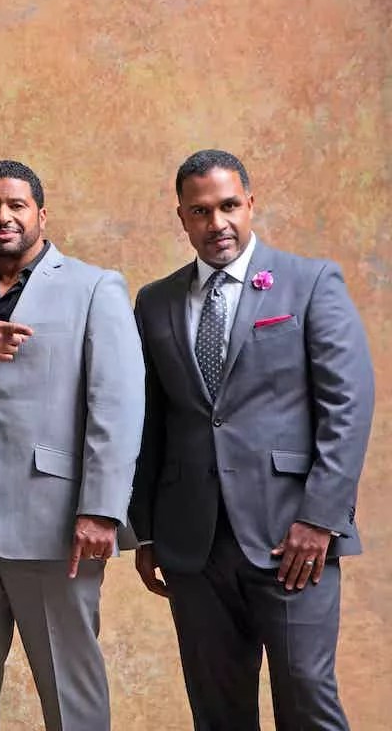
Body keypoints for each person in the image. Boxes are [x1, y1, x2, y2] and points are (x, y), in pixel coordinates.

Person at [130, 149, 375, 730]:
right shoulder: (156, 301)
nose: (217, 223)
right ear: (182, 217)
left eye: (228, 206)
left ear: (250, 203)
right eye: (200, 211)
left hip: (293, 537)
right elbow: (149, 421)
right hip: (193, 542)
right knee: (217, 712)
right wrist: (146, 530)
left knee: (307, 700)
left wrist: (320, 519)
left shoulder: (310, 282)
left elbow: (347, 405)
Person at [0, 160, 144, 730]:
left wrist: (101, 510)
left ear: (41, 214)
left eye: (16, 205)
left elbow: (119, 405)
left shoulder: (93, 287)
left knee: (70, 694)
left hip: (57, 528)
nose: (3, 216)